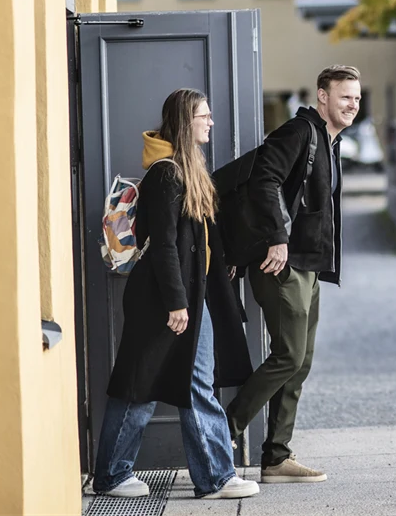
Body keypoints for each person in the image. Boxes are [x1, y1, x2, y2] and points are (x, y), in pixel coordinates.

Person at [93, 88, 258, 500]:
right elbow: (165, 244)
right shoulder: (165, 174)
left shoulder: (187, 171)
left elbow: (196, 240)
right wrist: (176, 302)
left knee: (197, 383)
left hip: (188, 298)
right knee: (140, 385)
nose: (211, 122)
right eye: (204, 116)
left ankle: (215, 476)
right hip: (164, 299)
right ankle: (111, 475)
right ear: (187, 121)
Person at [225, 65, 360, 483]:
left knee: (300, 362)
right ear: (322, 96)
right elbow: (264, 178)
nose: (353, 105)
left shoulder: (331, 142)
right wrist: (277, 238)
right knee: (288, 355)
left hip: (307, 265)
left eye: (356, 98)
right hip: (281, 263)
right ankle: (221, 432)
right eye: (344, 97)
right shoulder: (300, 131)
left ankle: (276, 458)